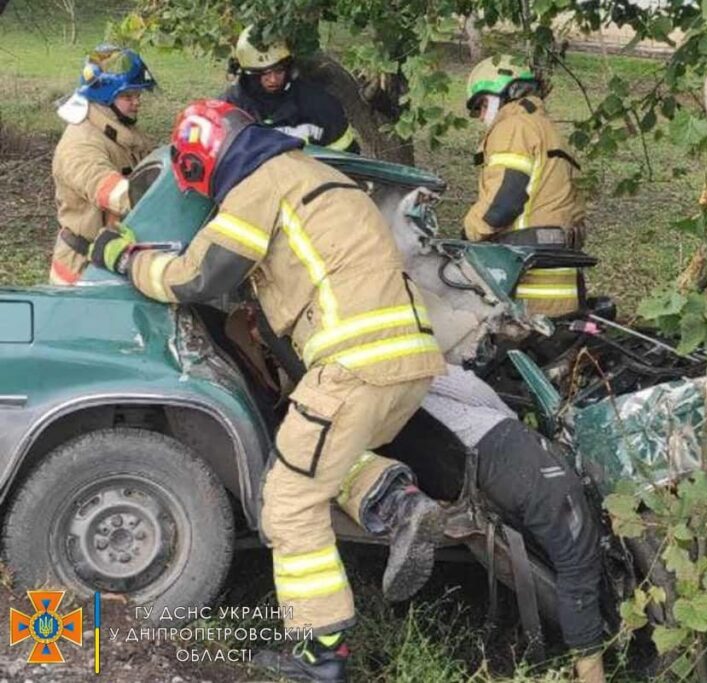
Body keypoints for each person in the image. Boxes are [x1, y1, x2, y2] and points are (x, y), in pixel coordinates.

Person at [88, 99, 446, 682]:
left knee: (287, 502)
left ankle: (321, 656)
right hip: (409, 360)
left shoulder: (258, 184)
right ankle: (397, 501)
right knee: (321, 455)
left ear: (201, 161)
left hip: (354, 361)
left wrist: (123, 257)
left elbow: (197, 277)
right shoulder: (322, 174)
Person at [417, 365, 606, 683]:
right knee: (577, 564)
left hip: (469, 474)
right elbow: (471, 390)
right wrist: (508, 416)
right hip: (505, 448)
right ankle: (592, 675)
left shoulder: (348, 392)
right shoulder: (408, 358)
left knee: (556, 552)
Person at [463, 55, 587, 317]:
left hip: (526, 282)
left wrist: (467, 232)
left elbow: (503, 203)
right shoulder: (545, 127)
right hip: (558, 275)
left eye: (483, 104)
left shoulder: (514, 126)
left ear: (506, 91)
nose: (481, 116)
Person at [49, 45, 155, 285]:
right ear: (103, 97)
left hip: (110, 256)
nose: (136, 103)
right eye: (128, 96)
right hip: (80, 272)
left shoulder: (120, 130)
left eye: (138, 96)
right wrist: (161, 201)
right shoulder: (80, 144)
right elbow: (111, 192)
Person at [224, 25, 359, 153]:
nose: (273, 79)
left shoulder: (320, 106)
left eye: (279, 71)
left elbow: (346, 158)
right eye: (264, 74)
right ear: (249, 75)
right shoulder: (228, 110)